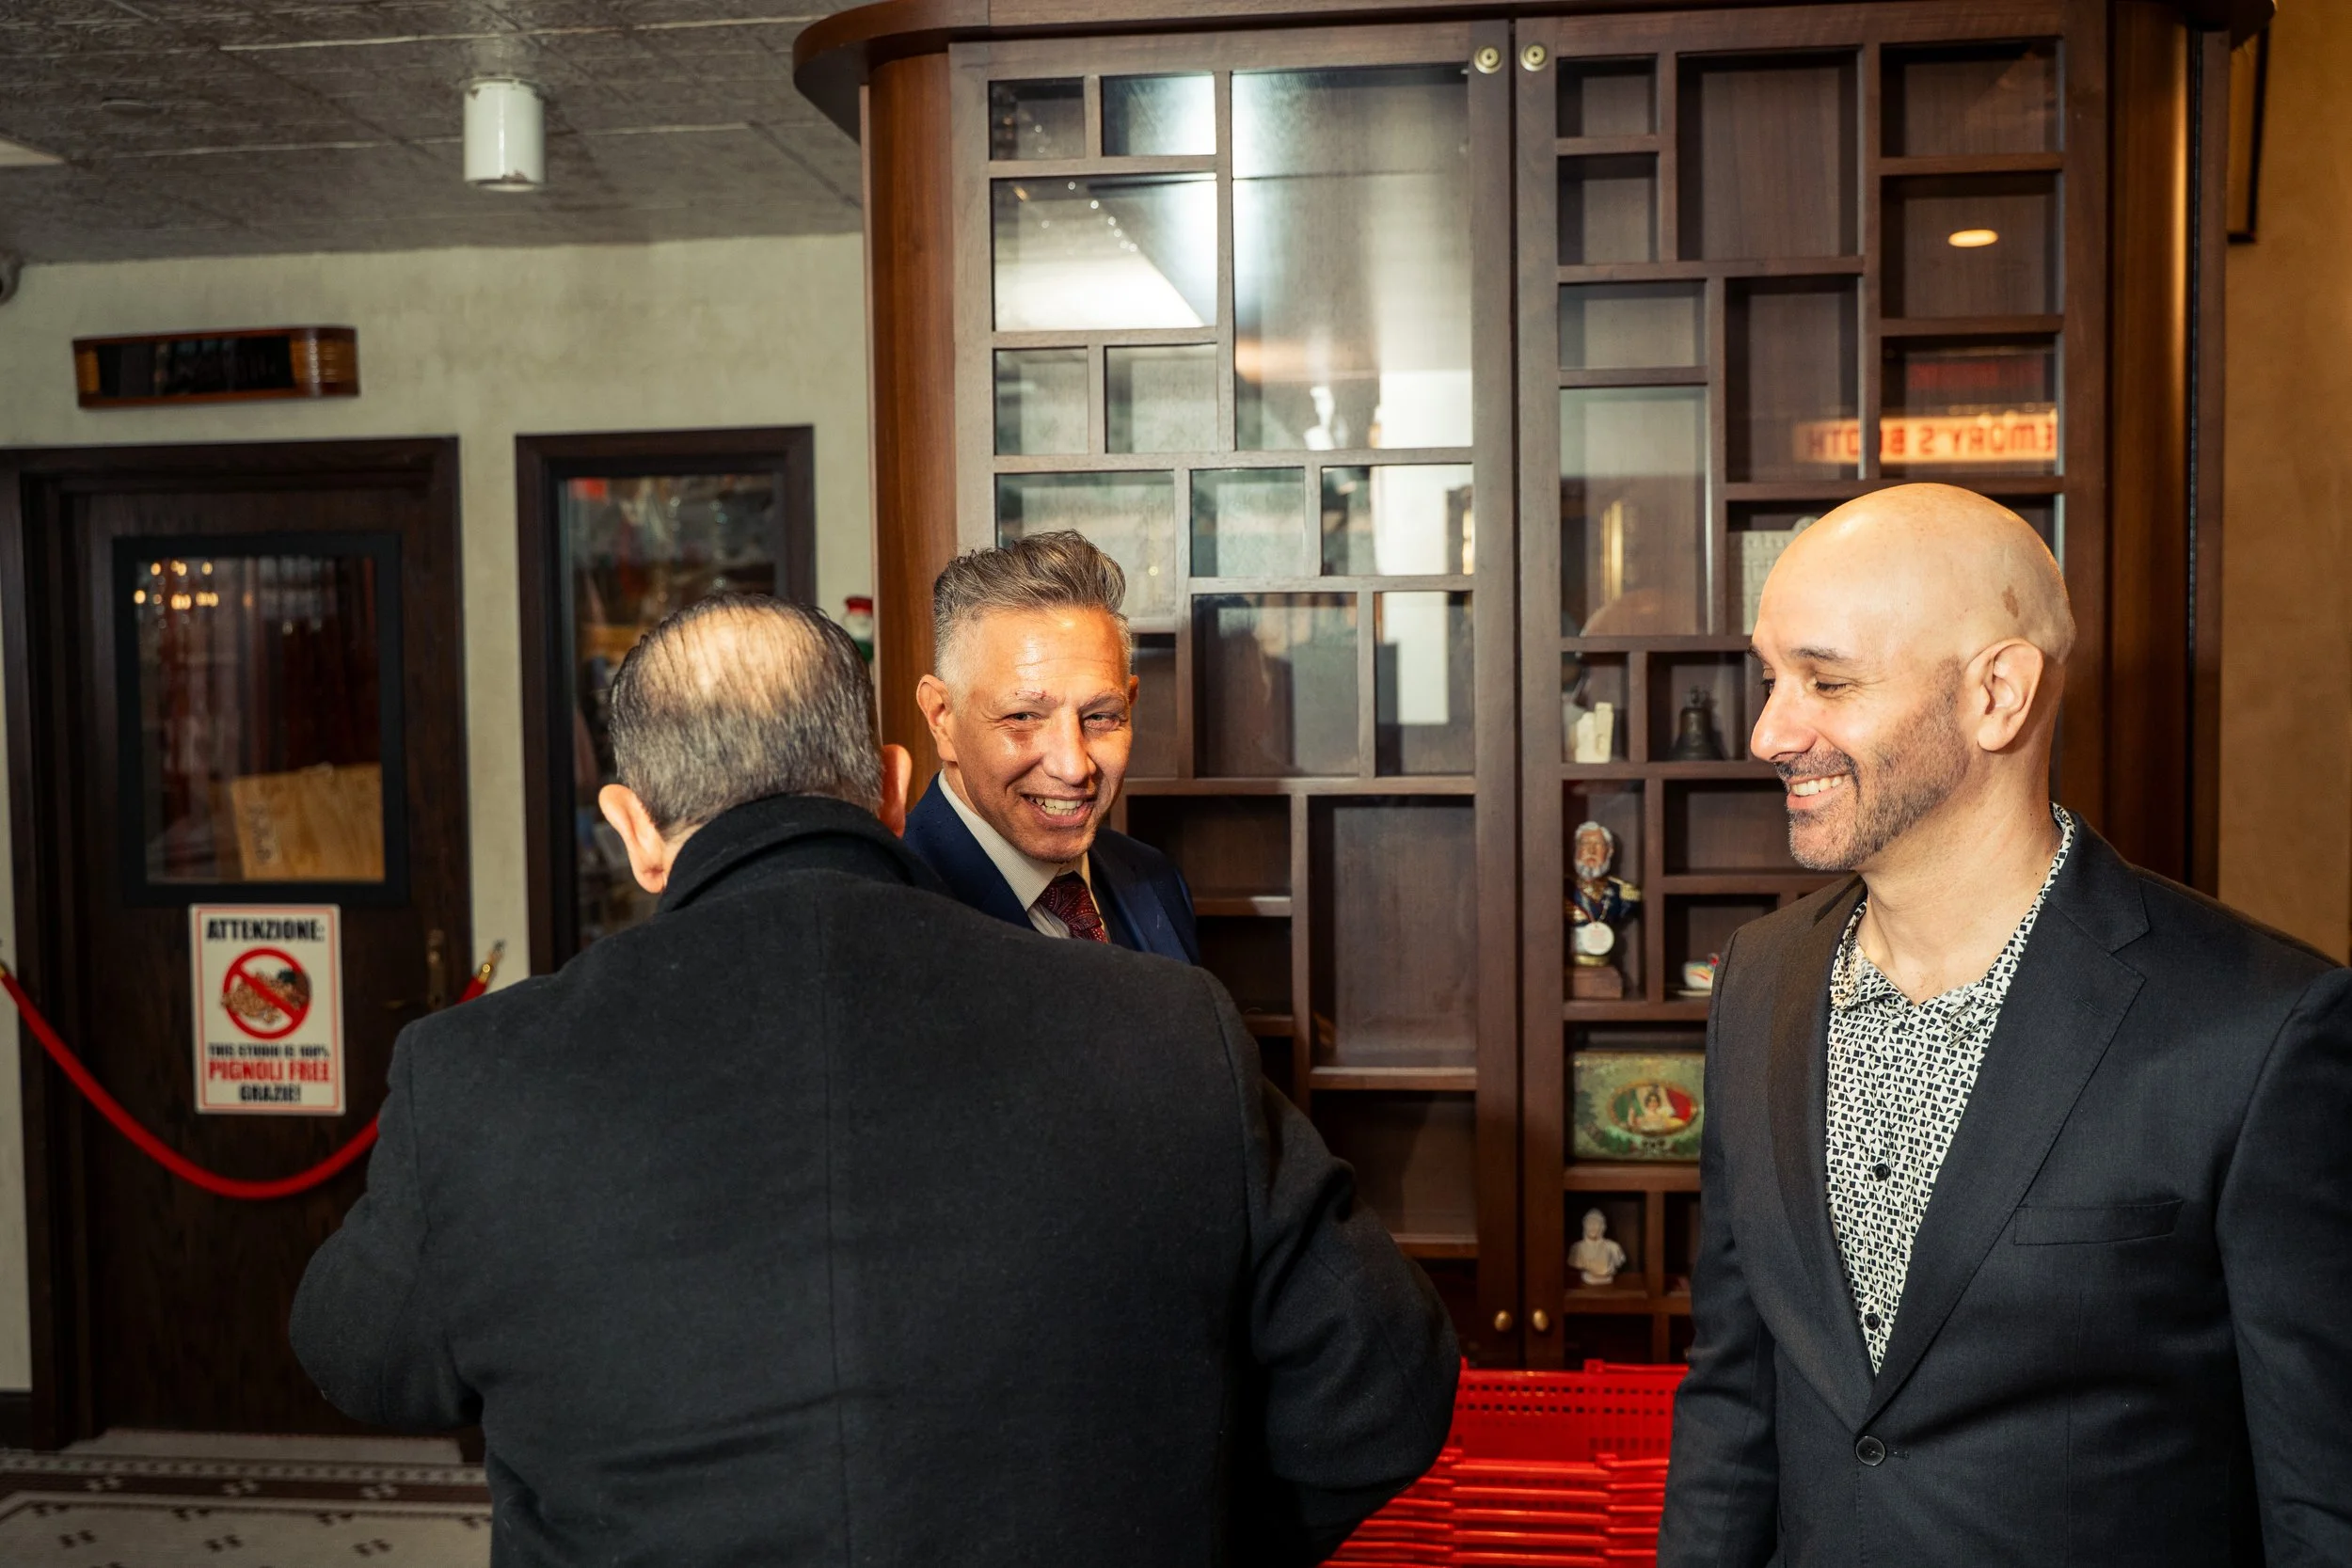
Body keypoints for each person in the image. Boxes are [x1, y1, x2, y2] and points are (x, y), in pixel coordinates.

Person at [290, 594, 1457, 1567]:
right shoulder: (1160, 1028)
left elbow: (364, 1356)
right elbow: (1387, 1381)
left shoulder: (483, 1073)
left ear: (636, 830)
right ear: (894, 781)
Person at [1659, 484, 2352, 1566]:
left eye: (1827, 680)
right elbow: (1732, 1394)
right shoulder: (1759, 976)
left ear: (1997, 694)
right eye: (1769, 677)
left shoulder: (2261, 1025)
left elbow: (2322, 1500)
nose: (1769, 731)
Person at [904, 531, 1199, 959]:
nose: (1074, 767)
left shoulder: (1154, 879)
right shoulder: (888, 909)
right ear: (942, 717)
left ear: (1130, 703)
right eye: (1023, 717)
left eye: (1099, 716)